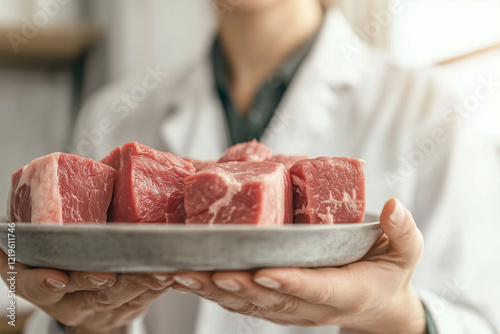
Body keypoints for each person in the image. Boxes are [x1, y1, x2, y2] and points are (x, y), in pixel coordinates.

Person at [2, 0, 499, 333]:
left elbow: (480, 317)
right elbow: (47, 307)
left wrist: (396, 314)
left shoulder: (432, 110)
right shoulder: (113, 113)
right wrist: (83, 322)